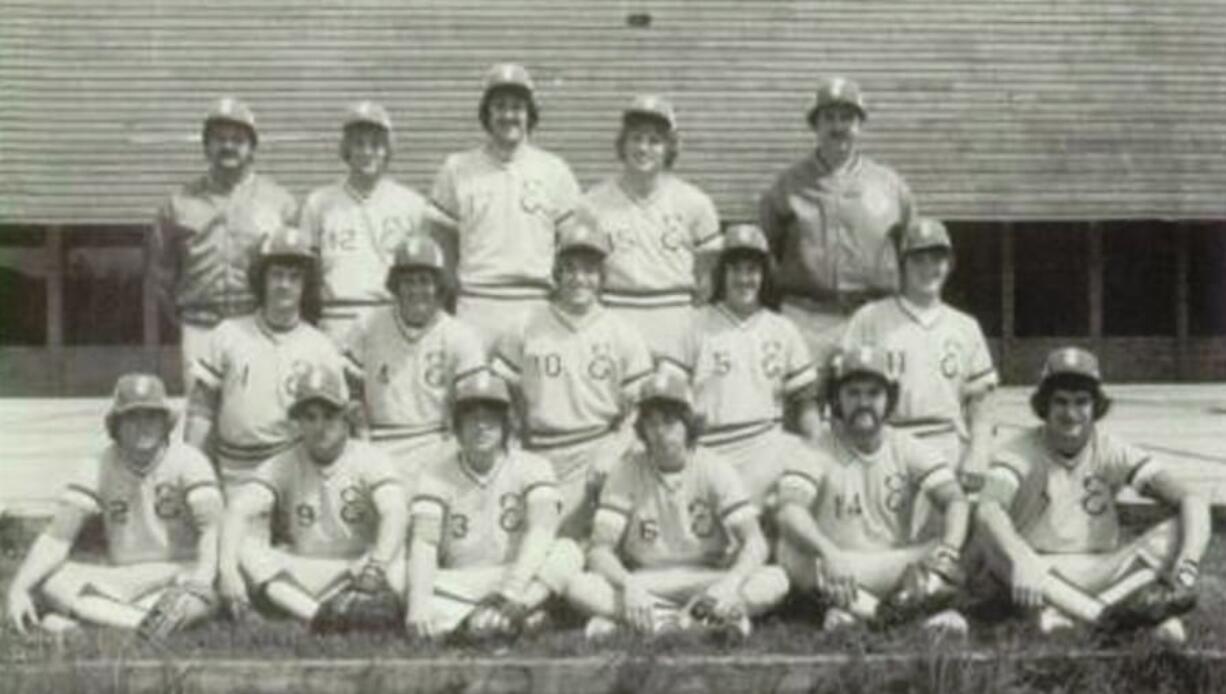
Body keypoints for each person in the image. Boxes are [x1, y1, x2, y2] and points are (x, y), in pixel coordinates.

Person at [974, 347, 1210, 644]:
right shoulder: (1019, 450)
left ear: (1096, 406)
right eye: (1060, 401)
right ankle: (1113, 619)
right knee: (994, 548)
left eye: (1081, 402)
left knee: (1179, 526)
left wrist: (1185, 571)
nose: (1070, 413)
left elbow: (1190, 498)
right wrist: (1022, 560)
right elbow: (988, 508)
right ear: (1044, 405)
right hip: (1041, 570)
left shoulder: (1111, 448)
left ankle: (1080, 616)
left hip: (1101, 567)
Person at [565, 369, 789, 639]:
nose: (660, 433)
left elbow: (755, 541)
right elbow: (599, 549)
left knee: (774, 579)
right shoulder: (626, 470)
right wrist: (630, 586)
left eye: (670, 422)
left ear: (688, 424)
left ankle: (650, 624)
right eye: (651, 423)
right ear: (641, 429)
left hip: (705, 577)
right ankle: (702, 623)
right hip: (646, 578)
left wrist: (730, 583)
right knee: (578, 585)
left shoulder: (714, 467)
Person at [774, 345, 972, 634]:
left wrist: (949, 551)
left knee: (965, 531)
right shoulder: (816, 449)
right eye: (853, 393)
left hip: (896, 565)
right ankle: (904, 612)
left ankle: (859, 612)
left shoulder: (906, 445)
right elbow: (789, 510)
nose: (863, 402)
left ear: (889, 399)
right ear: (836, 399)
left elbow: (954, 499)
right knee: (789, 551)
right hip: (839, 565)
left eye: (873, 393)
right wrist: (829, 553)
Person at [5, 374, 222, 634]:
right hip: (123, 575)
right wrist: (18, 589)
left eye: (151, 416)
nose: (143, 426)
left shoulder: (189, 460)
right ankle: (145, 625)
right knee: (49, 581)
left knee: (193, 600)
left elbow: (212, 528)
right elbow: (58, 536)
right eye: (132, 417)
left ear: (165, 422)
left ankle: (92, 621)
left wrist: (202, 579)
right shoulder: (98, 464)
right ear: (116, 424)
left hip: (179, 569)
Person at [492, 222, 654, 539]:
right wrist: (510, 443)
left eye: (590, 270)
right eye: (570, 269)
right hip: (538, 450)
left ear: (603, 277)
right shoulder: (526, 324)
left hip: (595, 451)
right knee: (529, 539)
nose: (580, 279)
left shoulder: (621, 331)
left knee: (576, 541)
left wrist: (615, 447)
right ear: (556, 272)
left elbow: (641, 406)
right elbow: (500, 392)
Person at [217, 364, 407, 627]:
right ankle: (320, 618)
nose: (320, 426)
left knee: (398, 562)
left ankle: (325, 611)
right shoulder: (284, 462)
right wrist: (227, 571)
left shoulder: (370, 458)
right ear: (299, 422)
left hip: (359, 568)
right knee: (244, 547)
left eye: (329, 416)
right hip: (304, 568)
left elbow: (394, 512)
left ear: (345, 419)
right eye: (310, 417)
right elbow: (239, 509)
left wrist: (376, 566)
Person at [404, 370, 582, 641]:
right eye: (471, 417)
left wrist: (510, 591)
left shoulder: (533, 466)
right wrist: (417, 606)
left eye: (490, 417)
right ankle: (514, 621)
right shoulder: (434, 474)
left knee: (568, 552)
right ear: (457, 425)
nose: (481, 426)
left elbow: (541, 530)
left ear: (506, 423)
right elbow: (425, 543)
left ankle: (491, 617)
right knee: (399, 576)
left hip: (514, 575)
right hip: (461, 579)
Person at [758, 77, 915, 383]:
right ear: (815, 125)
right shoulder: (788, 184)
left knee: (873, 406)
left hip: (873, 314)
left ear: (860, 125)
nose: (838, 126)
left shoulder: (889, 185)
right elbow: (766, 252)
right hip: (806, 316)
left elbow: (911, 251)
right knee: (803, 409)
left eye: (847, 117)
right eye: (828, 117)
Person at [660, 223, 819, 507]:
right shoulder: (695, 324)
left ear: (764, 276)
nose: (745, 279)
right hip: (710, 447)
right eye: (736, 270)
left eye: (753, 270)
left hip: (766, 445)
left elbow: (806, 405)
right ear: (722, 274)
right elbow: (669, 399)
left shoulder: (782, 328)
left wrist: (817, 452)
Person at [427, 63, 582, 352]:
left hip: (536, 302)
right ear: (487, 113)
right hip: (476, 304)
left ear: (530, 114)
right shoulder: (457, 168)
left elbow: (571, 245)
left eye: (517, 107)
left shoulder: (554, 170)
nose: (508, 115)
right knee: (473, 393)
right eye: (500, 106)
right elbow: (441, 244)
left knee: (535, 395)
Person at [150, 96, 297, 388]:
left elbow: (296, 275)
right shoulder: (178, 204)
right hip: (200, 326)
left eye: (238, 139)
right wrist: (185, 317)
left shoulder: (280, 203)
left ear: (252, 147)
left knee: (255, 413)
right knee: (201, 418)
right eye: (219, 138)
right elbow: (161, 275)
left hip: (256, 324)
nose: (228, 146)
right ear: (206, 146)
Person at [184, 225, 344, 493]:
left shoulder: (321, 346)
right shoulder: (228, 334)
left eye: (294, 277)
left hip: (297, 473)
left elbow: (335, 426)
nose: (284, 285)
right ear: (262, 280)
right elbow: (201, 414)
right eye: (277, 275)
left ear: (305, 286)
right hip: (237, 472)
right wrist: (197, 479)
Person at [843, 217, 997, 486]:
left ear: (949, 265)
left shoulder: (965, 326)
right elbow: (842, 395)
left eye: (937, 259)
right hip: (886, 441)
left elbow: (980, 402)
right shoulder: (869, 319)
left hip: (947, 442)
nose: (928, 268)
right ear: (903, 265)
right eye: (918, 260)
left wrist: (978, 451)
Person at [577, 94, 722, 360]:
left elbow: (705, 282)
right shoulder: (592, 204)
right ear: (623, 144)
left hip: (675, 321)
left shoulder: (695, 203)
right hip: (615, 317)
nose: (643, 148)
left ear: (669, 148)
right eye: (636, 138)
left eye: (654, 141)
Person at [342, 234, 486, 487]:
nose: (417, 290)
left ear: (440, 286)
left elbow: (472, 405)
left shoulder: (460, 334)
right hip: (380, 441)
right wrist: (360, 427)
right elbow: (348, 386)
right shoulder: (368, 325)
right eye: (408, 281)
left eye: (425, 281)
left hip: (436, 443)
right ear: (395, 286)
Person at [298, 101, 431, 342]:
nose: (367, 152)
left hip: (391, 318)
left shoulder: (412, 204)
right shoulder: (318, 203)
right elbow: (307, 276)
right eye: (358, 143)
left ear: (388, 150)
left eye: (376, 144)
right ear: (345, 149)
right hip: (336, 318)